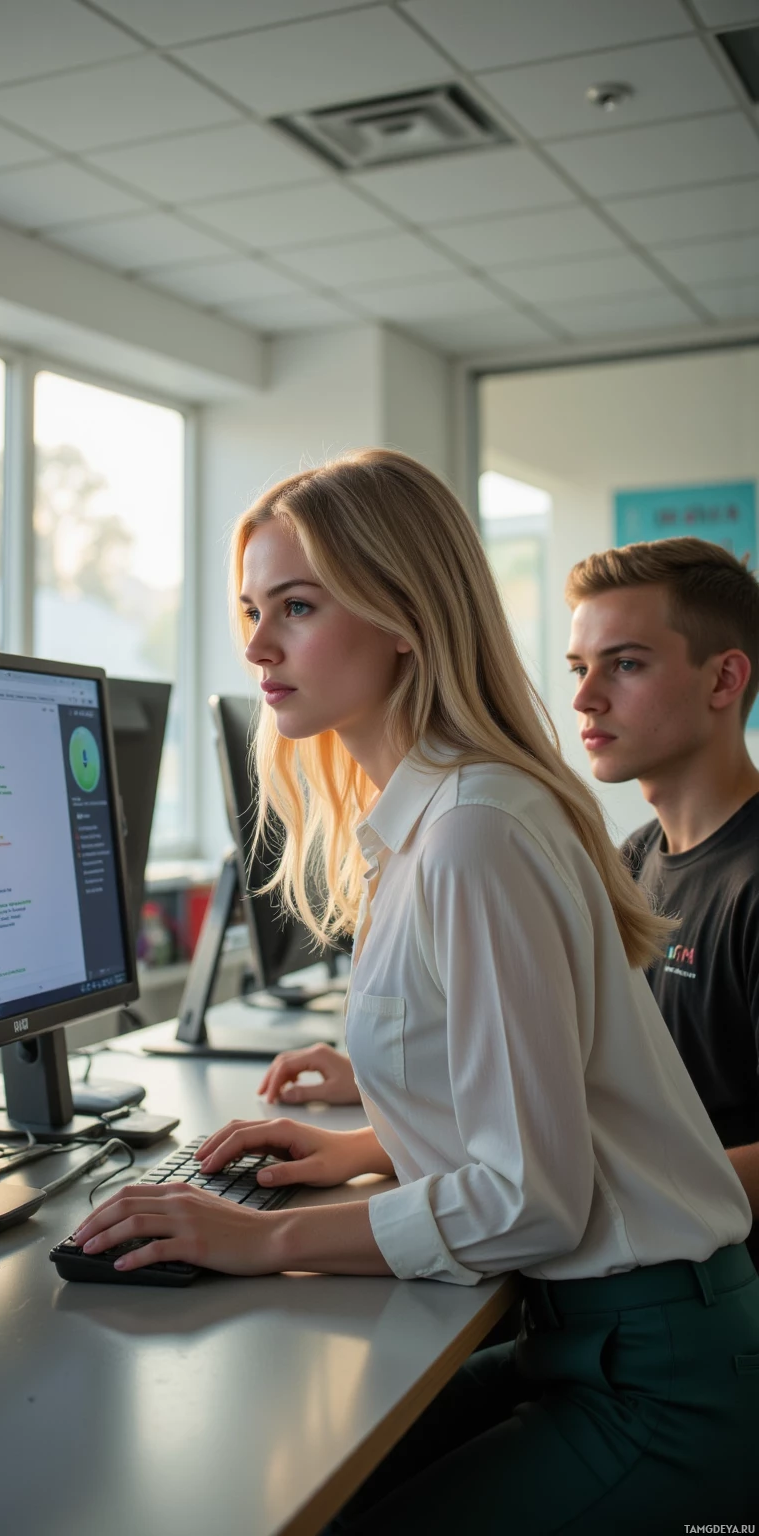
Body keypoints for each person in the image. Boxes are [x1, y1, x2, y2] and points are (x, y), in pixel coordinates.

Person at [73, 451, 759, 1531]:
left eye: (296, 607)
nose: (256, 645)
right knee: (298, 1481)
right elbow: (533, 1102)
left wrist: (261, 1239)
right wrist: (361, 1148)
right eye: (253, 609)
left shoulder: (471, 833)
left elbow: (533, 1197)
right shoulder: (437, 815)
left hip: (656, 1381)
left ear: (404, 615)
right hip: (593, 1336)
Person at [566, 537, 759, 1264]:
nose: (585, 697)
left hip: (718, 1310)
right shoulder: (634, 861)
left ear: (724, 679)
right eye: (580, 668)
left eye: (626, 664)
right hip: (627, 1271)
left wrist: (573, 1193)